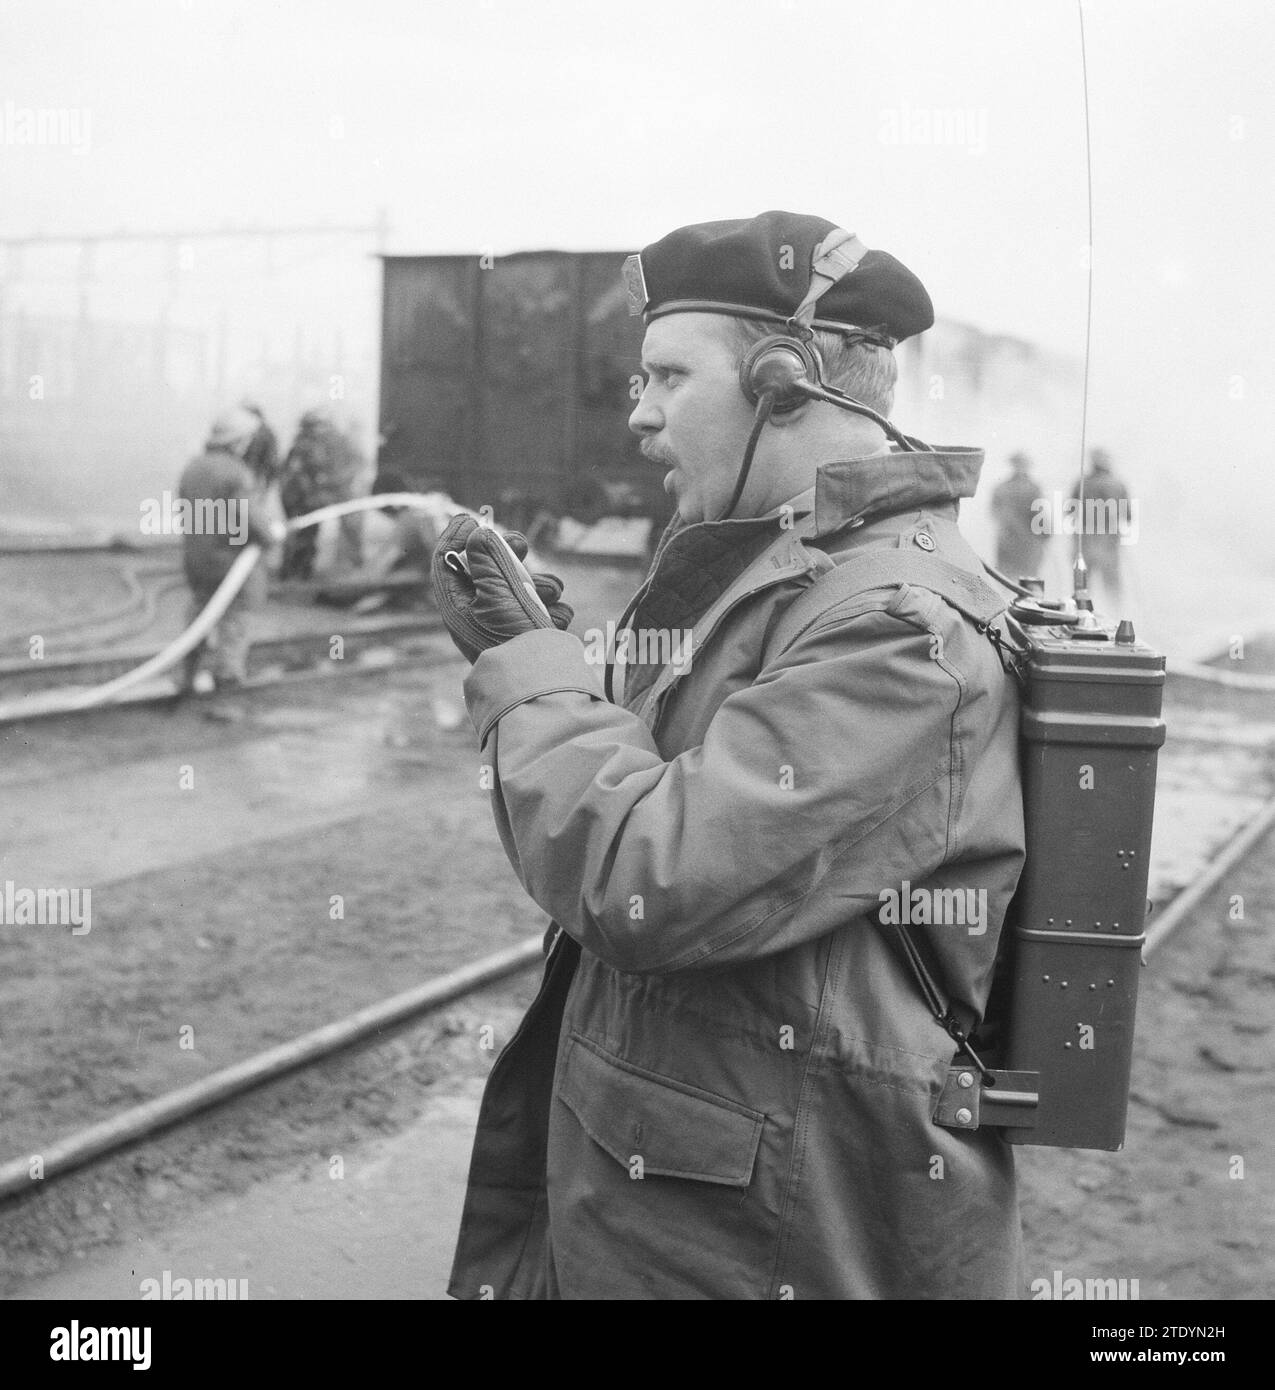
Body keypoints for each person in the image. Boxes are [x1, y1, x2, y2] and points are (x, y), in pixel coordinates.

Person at [432, 211, 1026, 1300]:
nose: (640, 414)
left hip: (762, 1239)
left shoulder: (897, 628)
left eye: (666, 377)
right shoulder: (790, 572)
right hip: (684, 1208)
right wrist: (555, 670)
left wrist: (532, 675)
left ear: (785, 382)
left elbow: (643, 878)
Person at [176, 406, 282, 693]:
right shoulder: (235, 473)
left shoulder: (194, 467)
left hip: (198, 558)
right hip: (231, 562)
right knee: (236, 621)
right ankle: (227, 681)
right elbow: (249, 518)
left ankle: (186, 676)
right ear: (239, 441)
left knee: (199, 614)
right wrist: (271, 536)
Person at [278, 408, 362, 580]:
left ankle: (348, 571)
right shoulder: (304, 445)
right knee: (302, 535)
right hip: (305, 498)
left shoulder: (338, 442)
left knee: (347, 532)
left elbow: (354, 465)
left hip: (330, 493)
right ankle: (295, 572)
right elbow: (294, 475)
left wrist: (332, 481)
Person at [1070, 447, 1129, 609]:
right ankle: (1117, 612)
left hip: (1085, 542)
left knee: (1082, 585)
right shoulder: (1117, 484)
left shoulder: (1082, 483)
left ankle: (1081, 613)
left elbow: (1070, 511)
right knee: (1111, 585)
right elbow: (1128, 515)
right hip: (1108, 543)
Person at [991, 450, 1048, 582]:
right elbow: (1040, 517)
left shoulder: (1002, 488)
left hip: (1011, 542)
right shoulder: (1032, 488)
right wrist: (1046, 535)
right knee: (1027, 582)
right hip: (1025, 543)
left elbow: (995, 513)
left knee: (1008, 581)